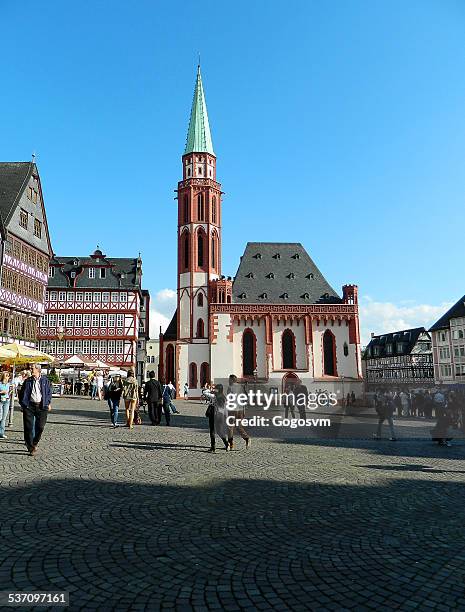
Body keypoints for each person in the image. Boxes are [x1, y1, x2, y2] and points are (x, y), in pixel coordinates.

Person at [20, 364, 52, 456]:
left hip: (42, 406)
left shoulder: (45, 381)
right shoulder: (28, 381)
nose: (31, 369)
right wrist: (23, 404)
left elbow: (49, 393)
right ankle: (31, 448)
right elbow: (22, 393)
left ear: (38, 370)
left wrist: (48, 402)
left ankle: (35, 442)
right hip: (29, 406)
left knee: (40, 427)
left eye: (32, 368)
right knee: (28, 427)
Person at [226, 374, 250, 450]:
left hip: (233, 410)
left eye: (229, 379)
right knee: (238, 426)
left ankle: (230, 444)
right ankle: (246, 438)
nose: (228, 381)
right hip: (240, 410)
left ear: (232, 380)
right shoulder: (241, 387)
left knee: (230, 427)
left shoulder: (230, 387)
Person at [204, 384, 229, 453]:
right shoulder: (224, 397)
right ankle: (226, 444)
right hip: (220, 415)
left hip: (213, 414)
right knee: (219, 431)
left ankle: (213, 447)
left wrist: (209, 389)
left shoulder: (214, 396)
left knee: (212, 430)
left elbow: (204, 392)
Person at [0, 372, 12, 439]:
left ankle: (1, 433)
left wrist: (10, 392)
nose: (8, 377)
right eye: (6, 376)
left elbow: (10, 391)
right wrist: (1, 392)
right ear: (3, 376)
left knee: (4, 418)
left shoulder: (9, 384)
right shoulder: (0, 384)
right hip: (0, 401)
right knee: (0, 417)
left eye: (8, 376)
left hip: (6, 401)